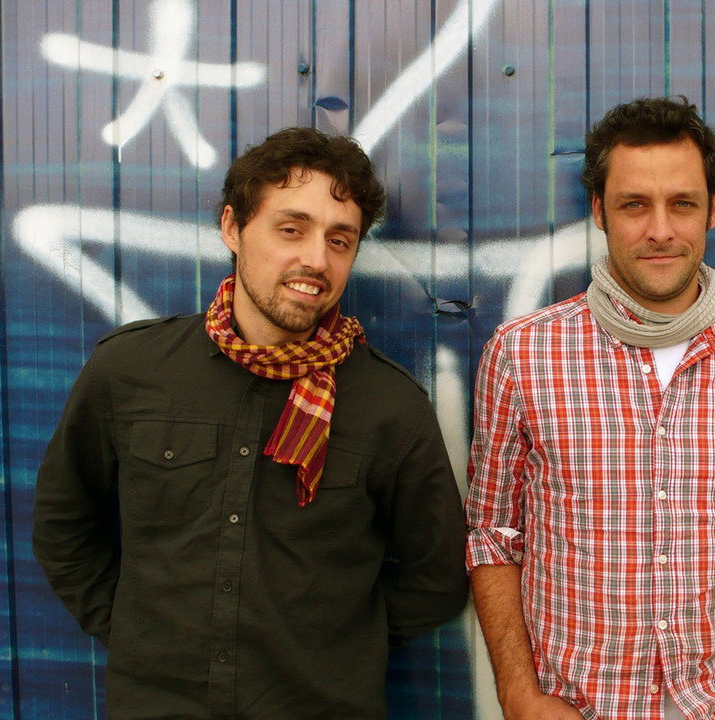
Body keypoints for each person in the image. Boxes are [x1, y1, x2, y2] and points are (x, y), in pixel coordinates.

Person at [33, 127, 468, 719]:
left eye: (339, 240)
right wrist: (137, 631)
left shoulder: (390, 406)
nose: (316, 259)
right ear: (233, 228)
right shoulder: (130, 370)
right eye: (291, 229)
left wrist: (339, 648)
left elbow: (437, 577)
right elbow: (64, 525)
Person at [466, 97, 715, 720]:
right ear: (599, 211)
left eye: (682, 204)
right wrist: (518, 694)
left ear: (713, 209)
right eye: (634, 204)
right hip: (578, 706)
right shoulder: (522, 355)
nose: (660, 230)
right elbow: (492, 536)